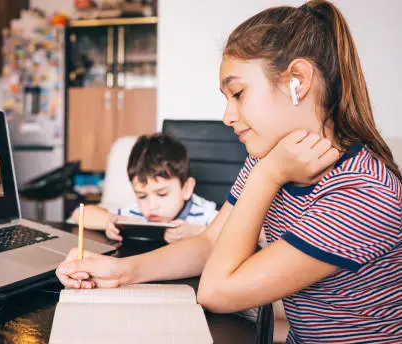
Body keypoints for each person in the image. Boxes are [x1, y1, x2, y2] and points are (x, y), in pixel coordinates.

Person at [56, 1, 402, 342]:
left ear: (298, 80)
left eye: (237, 93)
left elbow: (217, 291)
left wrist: (267, 177)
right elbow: (210, 243)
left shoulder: (364, 191)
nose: (227, 116)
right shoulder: (270, 155)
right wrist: (122, 272)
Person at [70, 133, 218, 243]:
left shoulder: (204, 213)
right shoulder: (136, 213)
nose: (152, 206)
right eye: (142, 196)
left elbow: (237, 236)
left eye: (162, 194)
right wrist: (109, 221)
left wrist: (198, 232)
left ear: (186, 189)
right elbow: (79, 214)